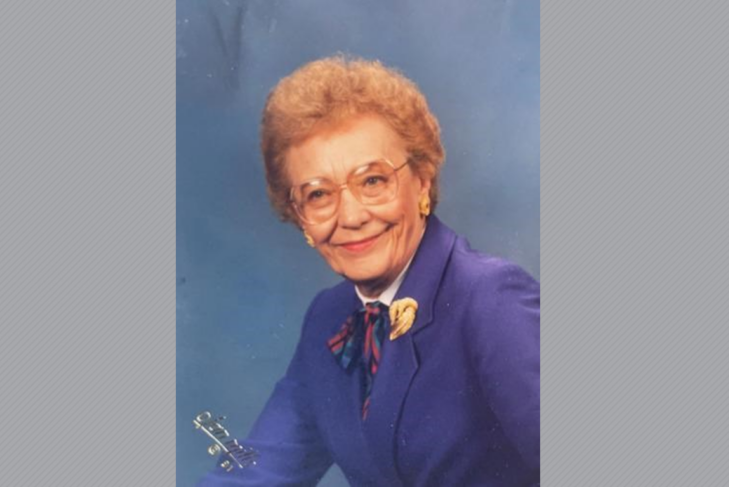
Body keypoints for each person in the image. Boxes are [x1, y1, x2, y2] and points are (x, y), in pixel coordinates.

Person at [198, 55, 540, 486]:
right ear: (299, 216)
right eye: (319, 194)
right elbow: (260, 469)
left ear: (422, 182)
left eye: (373, 181)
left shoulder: (490, 298)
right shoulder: (329, 317)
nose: (352, 216)